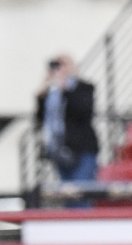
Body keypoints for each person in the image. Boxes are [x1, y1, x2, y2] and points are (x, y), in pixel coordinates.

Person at [35, 54, 99, 183]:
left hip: (82, 150)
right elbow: (40, 118)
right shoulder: (53, 92)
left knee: (81, 193)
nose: (59, 68)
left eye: (63, 64)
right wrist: (42, 93)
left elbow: (82, 111)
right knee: (66, 193)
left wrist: (65, 88)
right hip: (60, 150)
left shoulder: (83, 88)